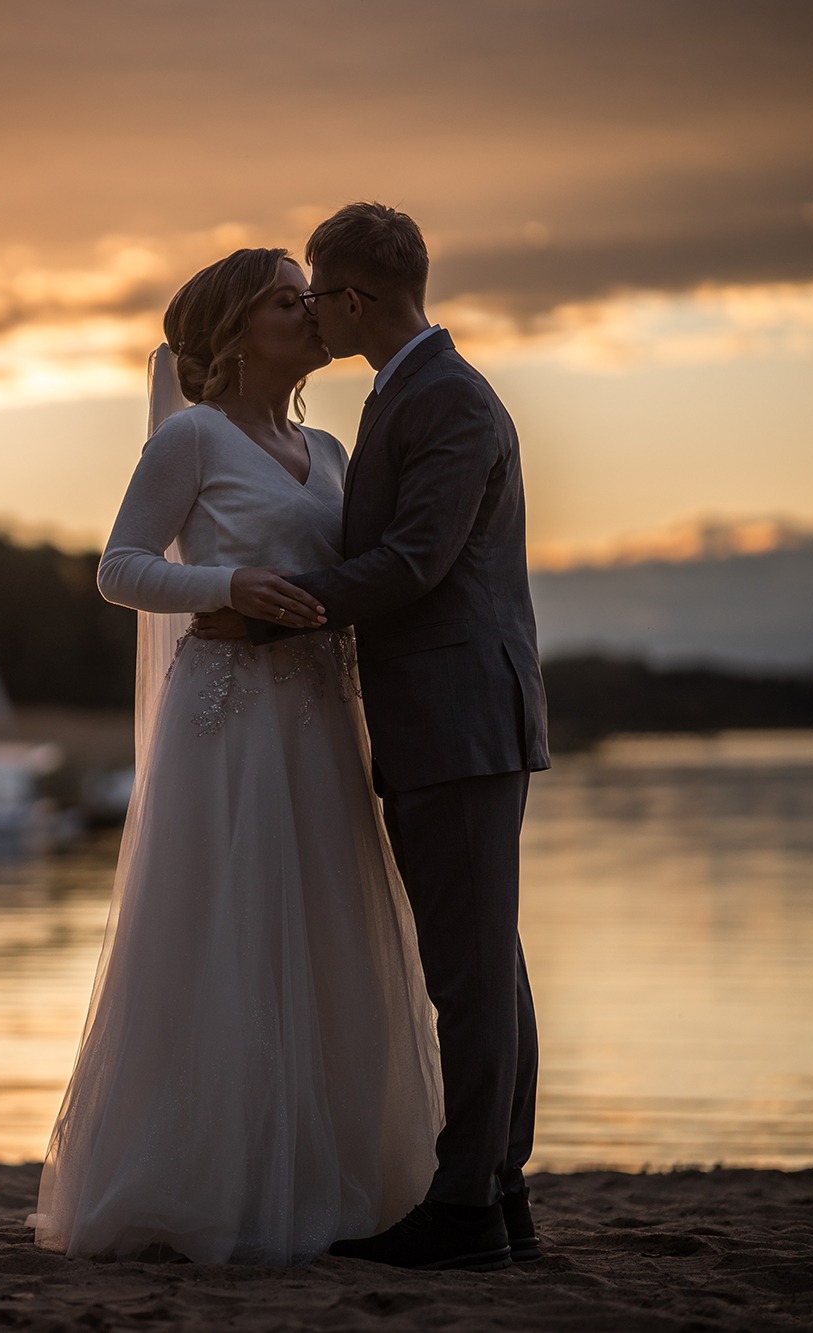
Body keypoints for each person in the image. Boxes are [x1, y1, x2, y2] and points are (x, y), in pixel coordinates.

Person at [29, 246, 444, 1267]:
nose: (307, 313)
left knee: (323, 934)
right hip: (227, 719)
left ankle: (331, 1178)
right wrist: (223, 585)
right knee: (225, 934)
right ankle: (202, 1180)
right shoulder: (192, 439)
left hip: (317, 716)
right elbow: (119, 569)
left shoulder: (333, 451)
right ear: (230, 330)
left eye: (306, 298)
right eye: (281, 301)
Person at [192, 202, 550, 1270]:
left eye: (316, 294)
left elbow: (411, 563)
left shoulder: (447, 401)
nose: (310, 312)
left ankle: (464, 1209)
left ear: (353, 300)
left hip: (457, 718)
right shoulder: (414, 393)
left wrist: (265, 607)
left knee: (470, 973)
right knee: (487, 962)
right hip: (442, 716)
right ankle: (496, 1189)